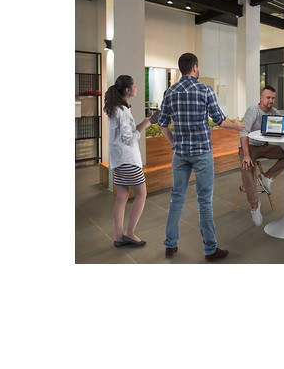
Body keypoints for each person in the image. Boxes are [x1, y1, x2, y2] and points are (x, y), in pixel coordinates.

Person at [156, 53, 245, 261]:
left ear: (181, 69)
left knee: (176, 198)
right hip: (202, 153)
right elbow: (220, 121)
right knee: (204, 201)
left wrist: (174, 143)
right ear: (195, 67)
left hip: (180, 154)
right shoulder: (205, 90)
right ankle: (210, 249)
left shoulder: (170, 92)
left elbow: (162, 124)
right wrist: (238, 126)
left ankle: (170, 244)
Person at [238, 85, 284, 226]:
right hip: (249, 147)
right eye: (268, 97)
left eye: (273, 98)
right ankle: (254, 206)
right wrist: (246, 155)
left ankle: (267, 176)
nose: (271, 101)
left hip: (263, 146)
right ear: (261, 97)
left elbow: (281, 128)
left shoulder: (274, 112)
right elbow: (243, 133)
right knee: (246, 167)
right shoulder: (253, 110)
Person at [103, 74, 151, 248]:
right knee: (141, 194)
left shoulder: (117, 109)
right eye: (135, 85)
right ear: (127, 90)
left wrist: (145, 121)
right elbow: (128, 139)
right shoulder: (122, 111)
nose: (136, 88)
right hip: (128, 161)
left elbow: (126, 134)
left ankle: (118, 237)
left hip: (118, 160)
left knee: (122, 197)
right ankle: (130, 233)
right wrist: (145, 125)